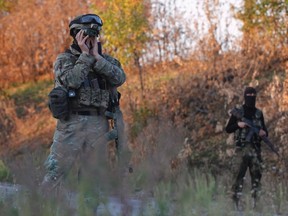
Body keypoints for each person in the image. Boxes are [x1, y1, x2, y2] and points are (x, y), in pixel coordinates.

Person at [42, 14, 126, 192]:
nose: (91, 39)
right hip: (71, 125)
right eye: (86, 35)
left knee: (92, 181)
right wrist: (85, 56)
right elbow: (72, 80)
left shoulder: (106, 61)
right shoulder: (64, 60)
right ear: (76, 35)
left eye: (94, 35)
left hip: (98, 125)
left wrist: (97, 57)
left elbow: (119, 78)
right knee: (54, 174)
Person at [225, 87, 268, 206]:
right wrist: (238, 124)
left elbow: (265, 132)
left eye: (253, 94)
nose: (251, 97)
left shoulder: (259, 114)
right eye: (248, 94)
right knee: (238, 177)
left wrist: (262, 132)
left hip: (255, 151)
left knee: (257, 178)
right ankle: (235, 204)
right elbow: (228, 129)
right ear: (245, 96)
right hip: (241, 150)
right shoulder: (239, 112)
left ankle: (256, 204)